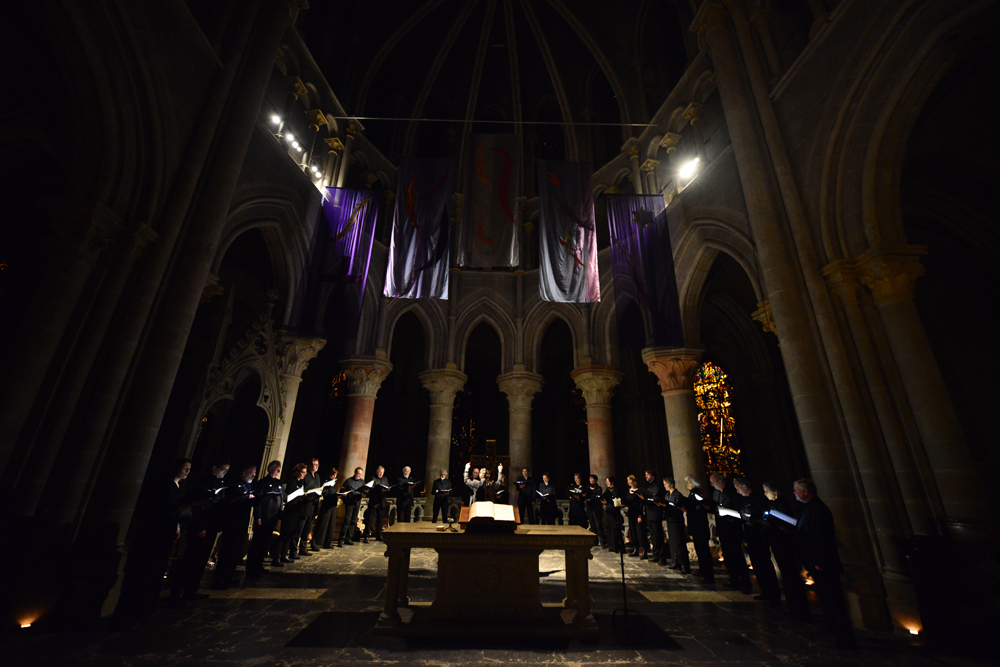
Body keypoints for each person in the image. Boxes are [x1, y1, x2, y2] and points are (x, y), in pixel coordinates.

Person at [115, 458, 199, 623]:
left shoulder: (178, 487)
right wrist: (195, 502)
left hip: (167, 531)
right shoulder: (166, 485)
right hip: (156, 532)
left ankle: (147, 608)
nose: (187, 472)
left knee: (157, 569)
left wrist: (177, 527)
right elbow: (169, 507)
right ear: (175, 468)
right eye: (184, 468)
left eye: (189, 468)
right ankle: (136, 611)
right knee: (147, 569)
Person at [794, 478, 855, 648]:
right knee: (826, 597)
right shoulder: (809, 508)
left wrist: (820, 560)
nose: (794, 494)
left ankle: (845, 637)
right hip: (814, 561)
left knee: (834, 599)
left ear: (805, 492)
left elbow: (824, 538)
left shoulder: (819, 509)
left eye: (796, 490)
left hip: (823, 563)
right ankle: (831, 626)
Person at [172, 458, 230, 602]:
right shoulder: (204, 483)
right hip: (201, 525)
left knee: (201, 561)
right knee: (190, 560)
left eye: (226, 471)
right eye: (223, 470)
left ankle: (191, 591)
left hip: (212, 525)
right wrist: (201, 526)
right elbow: (198, 507)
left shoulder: (220, 484)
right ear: (214, 468)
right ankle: (177, 594)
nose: (224, 473)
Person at [763, 480, 808, 617]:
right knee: (786, 575)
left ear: (774, 492)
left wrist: (783, 528)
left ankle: (799, 608)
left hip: (785, 544)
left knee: (791, 575)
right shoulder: (772, 505)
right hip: (777, 542)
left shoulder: (783, 505)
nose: (765, 494)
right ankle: (792, 605)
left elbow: (789, 524)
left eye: (767, 491)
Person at [734, 477, 780, 602]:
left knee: (765, 566)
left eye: (738, 488)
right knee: (757, 566)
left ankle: (773, 594)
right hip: (750, 536)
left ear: (744, 487)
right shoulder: (743, 501)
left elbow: (765, 518)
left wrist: (762, 534)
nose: (737, 491)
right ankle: (764, 591)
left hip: (759, 536)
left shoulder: (758, 499)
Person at [212, 463, 257, 589]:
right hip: (232, 522)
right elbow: (231, 501)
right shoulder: (235, 485)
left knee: (236, 551)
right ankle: (219, 579)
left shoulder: (247, 485)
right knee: (227, 551)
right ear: (243, 473)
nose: (254, 476)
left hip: (242, 522)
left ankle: (229, 576)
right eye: (251, 473)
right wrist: (246, 497)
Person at [710, 472, 751, 594]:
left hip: (733, 528)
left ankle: (745, 583)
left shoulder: (733, 493)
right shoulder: (716, 493)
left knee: (737, 556)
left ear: (720, 482)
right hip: (722, 527)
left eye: (713, 483)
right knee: (727, 556)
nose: (712, 485)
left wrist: (733, 516)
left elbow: (739, 509)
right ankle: (734, 580)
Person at [247, 461, 283, 576]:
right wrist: (258, 517)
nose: (279, 471)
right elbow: (258, 502)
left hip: (273, 517)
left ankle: (259, 565)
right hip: (264, 516)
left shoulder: (278, 482)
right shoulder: (262, 483)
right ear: (271, 469)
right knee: (258, 542)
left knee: (265, 542)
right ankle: (252, 567)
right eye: (277, 469)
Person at [684, 475, 714, 583]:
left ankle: (708, 574)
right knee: (699, 549)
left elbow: (700, 507)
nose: (687, 484)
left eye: (688, 482)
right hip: (695, 525)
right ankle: (702, 570)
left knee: (704, 550)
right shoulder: (692, 494)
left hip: (700, 525)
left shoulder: (698, 494)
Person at [276, 463, 308, 563]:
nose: (304, 474)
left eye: (305, 472)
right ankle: (276, 557)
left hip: (297, 511)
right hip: (290, 512)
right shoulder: (292, 482)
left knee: (291, 535)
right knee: (284, 535)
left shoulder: (300, 483)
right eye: (303, 472)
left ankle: (284, 555)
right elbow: (288, 497)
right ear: (297, 472)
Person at [662, 477, 691, 573]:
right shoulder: (667, 494)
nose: (664, 486)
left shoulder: (677, 495)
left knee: (679, 543)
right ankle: (675, 561)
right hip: (670, 519)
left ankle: (684, 564)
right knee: (673, 542)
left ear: (671, 484)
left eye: (666, 484)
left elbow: (678, 507)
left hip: (677, 521)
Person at [640, 470, 666, 565]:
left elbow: (655, 499)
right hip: (649, 513)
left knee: (658, 535)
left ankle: (662, 557)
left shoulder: (656, 486)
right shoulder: (649, 486)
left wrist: (645, 498)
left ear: (653, 476)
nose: (646, 476)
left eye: (647, 475)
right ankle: (656, 555)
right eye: (645, 475)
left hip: (655, 513)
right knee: (653, 536)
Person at [337, 467, 366, 546]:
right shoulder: (348, 481)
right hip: (349, 503)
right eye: (358, 473)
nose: (359, 475)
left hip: (357, 503)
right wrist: (346, 501)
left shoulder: (362, 482)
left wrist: (365, 491)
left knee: (353, 521)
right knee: (347, 521)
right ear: (355, 473)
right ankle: (341, 539)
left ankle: (348, 538)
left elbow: (364, 491)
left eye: (361, 474)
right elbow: (342, 492)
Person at [298, 457, 322, 555]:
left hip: (314, 505)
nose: (315, 466)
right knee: (300, 528)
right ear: (309, 466)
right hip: (305, 505)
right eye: (313, 464)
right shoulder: (306, 476)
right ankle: (293, 549)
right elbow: (301, 489)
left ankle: (303, 548)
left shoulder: (317, 477)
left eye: (317, 465)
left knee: (308, 528)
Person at [313, 467, 340, 547]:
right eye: (333, 474)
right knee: (323, 524)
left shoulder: (335, 483)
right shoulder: (326, 483)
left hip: (333, 505)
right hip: (326, 505)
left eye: (335, 475)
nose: (334, 476)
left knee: (331, 524)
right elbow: (324, 493)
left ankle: (328, 543)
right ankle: (318, 542)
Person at [363, 466, 390, 542]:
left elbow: (388, 488)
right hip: (374, 501)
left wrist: (386, 489)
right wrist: (378, 489)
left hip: (381, 501)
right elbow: (370, 489)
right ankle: (367, 535)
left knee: (380, 519)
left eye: (382, 472)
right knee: (370, 518)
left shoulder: (385, 479)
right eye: (379, 472)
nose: (380, 474)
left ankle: (379, 534)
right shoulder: (373, 478)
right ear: (377, 472)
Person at [624, 475, 648, 559]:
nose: (629, 482)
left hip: (638, 513)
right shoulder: (628, 491)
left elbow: (640, 504)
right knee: (633, 532)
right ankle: (635, 549)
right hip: (631, 513)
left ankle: (644, 551)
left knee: (640, 532)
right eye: (628, 480)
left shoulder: (639, 491)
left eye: (630, 480)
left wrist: (640, 515)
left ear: (633, 481)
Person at [601, 476, 623, 552]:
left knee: (615, 528)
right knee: (609, 528)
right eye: (606, 481)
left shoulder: (616, 490)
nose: (607, 483)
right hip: (608, 510)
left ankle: (616, 546)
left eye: (608, 481)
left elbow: (616, 500)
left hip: (614, 511)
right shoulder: (607, 490)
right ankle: (611, 545)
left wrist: (608, 502)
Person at [586, 475, 606, 547]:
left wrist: (591, 498)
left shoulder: (598, 488)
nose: (590, 480)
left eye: (592, 479)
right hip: (590, 508)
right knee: (593, 526)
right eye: (590, 479)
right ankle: (595, 542)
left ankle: (602, 542)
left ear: (595, 480)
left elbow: (597, 496)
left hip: (596, 509)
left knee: (598, 526)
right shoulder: (587, 488)